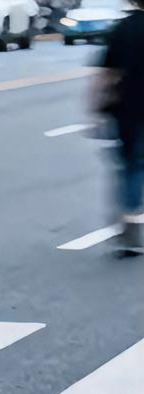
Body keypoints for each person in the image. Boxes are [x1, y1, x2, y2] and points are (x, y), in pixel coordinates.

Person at [100, 0, 144, 254]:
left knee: (131, 167)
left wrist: (97, 105)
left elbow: (108, 74)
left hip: (129, 109)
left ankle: (130, 224)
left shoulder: (125, 28)